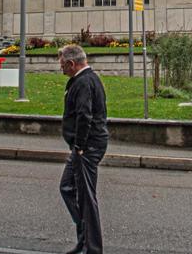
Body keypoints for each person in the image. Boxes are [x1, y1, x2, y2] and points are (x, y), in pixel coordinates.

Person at [58, 44, 109, 254]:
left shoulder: (84, 82)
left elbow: (84, 115)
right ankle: (84, 238)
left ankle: (92, 248)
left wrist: (79, 146)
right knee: (67, 187)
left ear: (72, 63)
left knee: (86, 198)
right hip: (84, 147)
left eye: (62, 65)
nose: (61, 69)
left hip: (87, 147)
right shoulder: (83, 80)